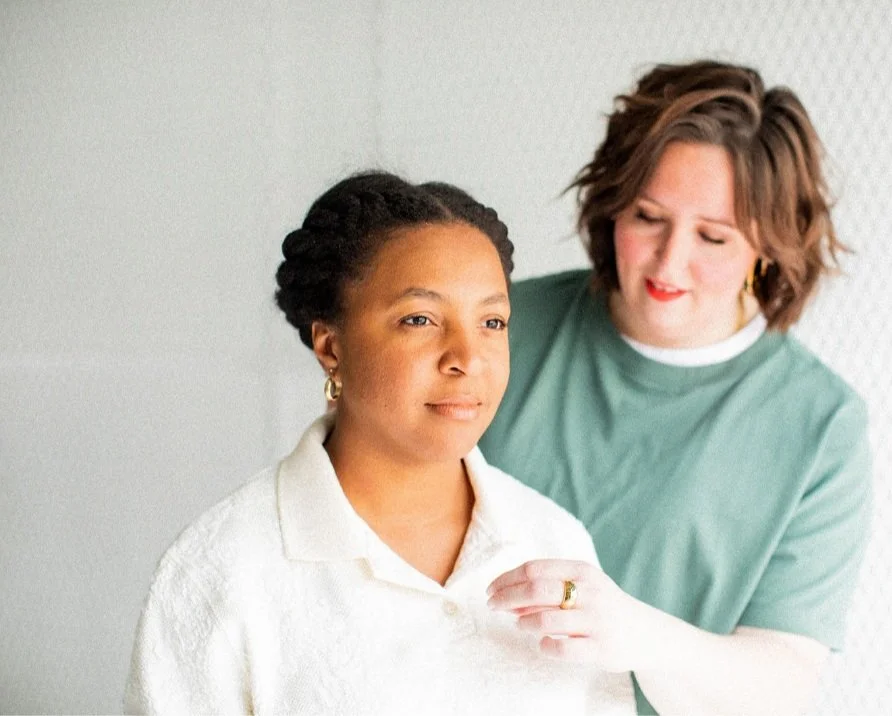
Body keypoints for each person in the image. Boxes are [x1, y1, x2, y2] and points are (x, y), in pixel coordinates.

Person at [124, 172, 635, 714]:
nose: (467, 356)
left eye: (491, 321)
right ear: (331, 346)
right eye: (420, 319)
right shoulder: (220, 571)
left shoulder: (553, 540)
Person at [480, 60, 873, 715]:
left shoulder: (819, 424)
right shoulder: (500, 329)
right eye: (648, 217)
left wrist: (632, 633)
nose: (669, 262)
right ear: (610, 207)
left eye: (713, 236)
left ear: (767, 248)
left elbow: (781, 680)